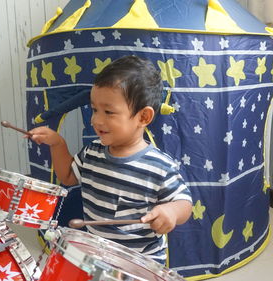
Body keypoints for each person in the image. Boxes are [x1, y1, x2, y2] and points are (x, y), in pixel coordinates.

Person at [29, 55, 192, 263]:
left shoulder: (159, 165)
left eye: (108, 112)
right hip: (98, 256)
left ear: (143, 117)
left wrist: (171, 210)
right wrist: (57, 144)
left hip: (140, 264)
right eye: (95, 109)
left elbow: (184, 203)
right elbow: (68, 177)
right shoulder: (93, 152)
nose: (97, 120)